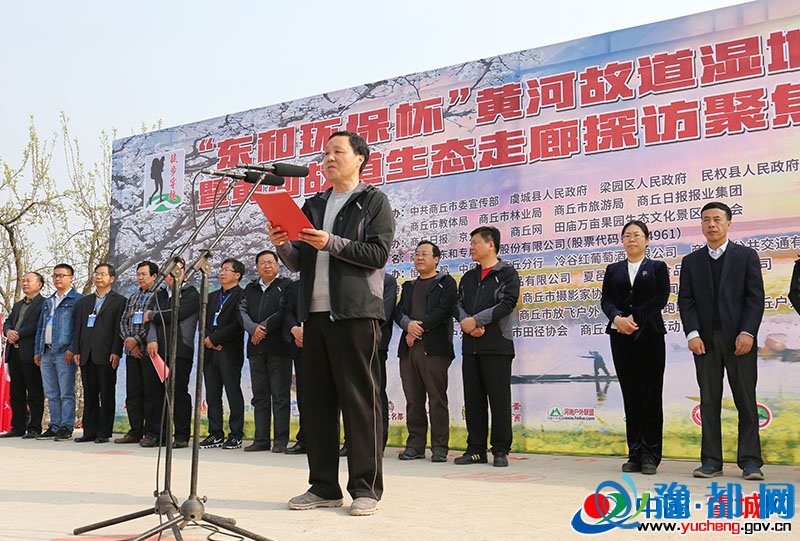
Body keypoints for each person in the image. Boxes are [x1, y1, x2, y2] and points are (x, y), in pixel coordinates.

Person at [269, 130, 394, 517]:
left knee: (360, 402)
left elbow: (377, 253)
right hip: (315, 315)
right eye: (325, 153)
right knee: (316, 404)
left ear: (360, 158)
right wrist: (282, 244)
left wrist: (331, 242)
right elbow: (298, 262)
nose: (328, 159)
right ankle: (324, 486)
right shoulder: (314, 204)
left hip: (355, 314)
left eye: (337, 152)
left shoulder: (373, 201)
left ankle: (366, 488)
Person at [678, 201, 765, 480]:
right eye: (706, 220)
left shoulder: (745, 256)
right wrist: (692, 333)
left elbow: (755, 298)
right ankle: (711, 461)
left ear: (728, 223)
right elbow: (686, 301)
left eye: (717, 219)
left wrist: (747, 332)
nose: (711, 224)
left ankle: (750, 462)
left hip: (739, 341)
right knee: (709, 402)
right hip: (705, 342)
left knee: (746, 401)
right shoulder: (691, 262)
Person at [600, 220, 670, 475]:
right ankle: (635, 453)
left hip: (650, 335)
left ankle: (651, 455)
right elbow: (606, 299)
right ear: (622, 241)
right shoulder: (613, 269)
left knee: (650, 395)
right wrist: (617, 318)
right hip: (620, 336)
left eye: (637, 235)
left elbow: (660, 298)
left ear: (647, 240)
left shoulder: (657, 267)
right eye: (627, 235)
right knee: (630, 395)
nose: (632, 239)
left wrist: (634, 318)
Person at [454, 226, 520, 468]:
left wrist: (476, 321)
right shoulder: (469, 277)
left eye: (475, 243)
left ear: (491, 245)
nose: (471, 247)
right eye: (470, 243)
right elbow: (458, 304)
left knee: (499, 400)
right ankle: (476, 449)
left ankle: (500, 450)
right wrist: (466, 323)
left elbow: (507, 304)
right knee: (473, 401)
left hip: (497, 346)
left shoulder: (507, 273)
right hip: (471, 346)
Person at [394, 241, 457, 463]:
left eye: (424, 254)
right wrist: (408, 326)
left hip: (435, 349)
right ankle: (415, 445)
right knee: (413, 399)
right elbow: (398, 312)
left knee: (437, 399)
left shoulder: (446, 283)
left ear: (436, 259)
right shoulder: (409, 286)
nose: (419, 258)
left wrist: (417, 330)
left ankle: (439, 447)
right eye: (417, 254)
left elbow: (444, 310)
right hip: (409, 350)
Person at [239, 250, 292, 453]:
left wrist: (263, 328)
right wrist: (253, 329)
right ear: (257, 267)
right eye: (262, 263)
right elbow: (241, 311)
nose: (267, 266)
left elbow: (285, 311)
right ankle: (261, 439)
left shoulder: (286, 285)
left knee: (280, 396)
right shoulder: (250, 288)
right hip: (255, 348)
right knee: (260, 396)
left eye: (270, 262)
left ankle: (280, 440)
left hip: (279, 348)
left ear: (278, 265)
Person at [145, 258, 199, 448]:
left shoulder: (191, 294)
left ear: (184, 272)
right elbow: (147, 320)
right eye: (169, 271)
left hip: (180, 349)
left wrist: (153, 315)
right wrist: (151, 339)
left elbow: (177, 313)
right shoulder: (158, 295)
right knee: (156, 393)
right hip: (157, 351)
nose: (172, 275)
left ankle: (182, 435)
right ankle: (157, 434)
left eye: (177, 270)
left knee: (178, 392)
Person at [72, 263, 127, 444]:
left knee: (106, 393)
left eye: (103, 274)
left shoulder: (119, 301)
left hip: (106, 353)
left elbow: (119, 328)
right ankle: (89, 432)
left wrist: (116, 351)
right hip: (86, 353)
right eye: (96, 274)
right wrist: (77, 350)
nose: (98, 277)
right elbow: (78, 328)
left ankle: (103, 432)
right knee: (90, 394)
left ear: (112, 278)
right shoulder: (84, 302)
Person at [200, 258, 245, 450]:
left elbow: (238, 324)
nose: (222, 272)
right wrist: (209, 339)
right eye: (221, 269)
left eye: (227, 269)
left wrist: (216, 339)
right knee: (212, 394)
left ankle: (236, 434)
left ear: (237, 275)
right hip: (210, 351)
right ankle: (215, 433)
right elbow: (202, 321)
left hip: (229, 350)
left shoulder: (242, 295)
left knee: (233, 392)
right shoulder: (211, 296)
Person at [33, 263, 82, 441]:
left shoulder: (77, 300)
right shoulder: (48, 301)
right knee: (51, 392)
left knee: (66, 392)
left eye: (62, 275)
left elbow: (78, 328)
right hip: (46, 352)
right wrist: (37, 351)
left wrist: (72, 348)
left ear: (71, 278)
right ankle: (54, 425)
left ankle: (66, 426)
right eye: (55, 275)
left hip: (64, 352)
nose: (57, 278)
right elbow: (40, 327)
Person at [116, 261, 161, 446]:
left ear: (154, 276)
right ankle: (135, 431)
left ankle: (151, 432)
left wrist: (137, 340)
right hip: (131, 352)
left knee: (150, 394)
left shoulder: (159, 296)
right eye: (138, 274)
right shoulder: (133, 297)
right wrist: (129, 341)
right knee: (133, 393)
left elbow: (154, 324)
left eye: (144, 274)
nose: (140, 278)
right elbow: (123, 321)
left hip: (149, 352)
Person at [1, 272, 46, 438]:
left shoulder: (44, 303)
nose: (25, 283)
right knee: (16, 392)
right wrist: (8, 331)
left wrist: (19, 333)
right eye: (23, 280)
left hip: (31, 352)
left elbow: (39, 324)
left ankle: (34, 427)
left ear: (39, 284)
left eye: (29, 281)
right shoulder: (18, 305)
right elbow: (8, 321)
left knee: (34, 391)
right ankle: (18, 426)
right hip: (14, 352)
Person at [281, 279, 306, 455]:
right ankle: (304, 440)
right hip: (301, 347)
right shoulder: (296, 286)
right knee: (304, 396)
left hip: (328, 346)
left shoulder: (334, 281)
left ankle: (329, 441)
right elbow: (287, 311)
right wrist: (294, 329)